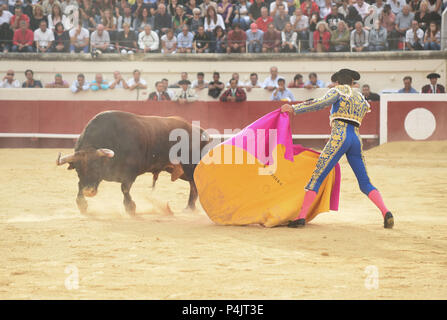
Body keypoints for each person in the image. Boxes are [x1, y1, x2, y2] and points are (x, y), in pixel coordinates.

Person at [281, 68, 394, 229]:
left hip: (339, 136)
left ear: (338, 82)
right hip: (356, 138)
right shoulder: (361, 97)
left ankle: (301, 217)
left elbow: (320, 103)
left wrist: (295, 108)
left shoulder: (338, 91)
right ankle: (386, 212)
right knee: (365, 182)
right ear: (352, 82)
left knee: (317, 176)